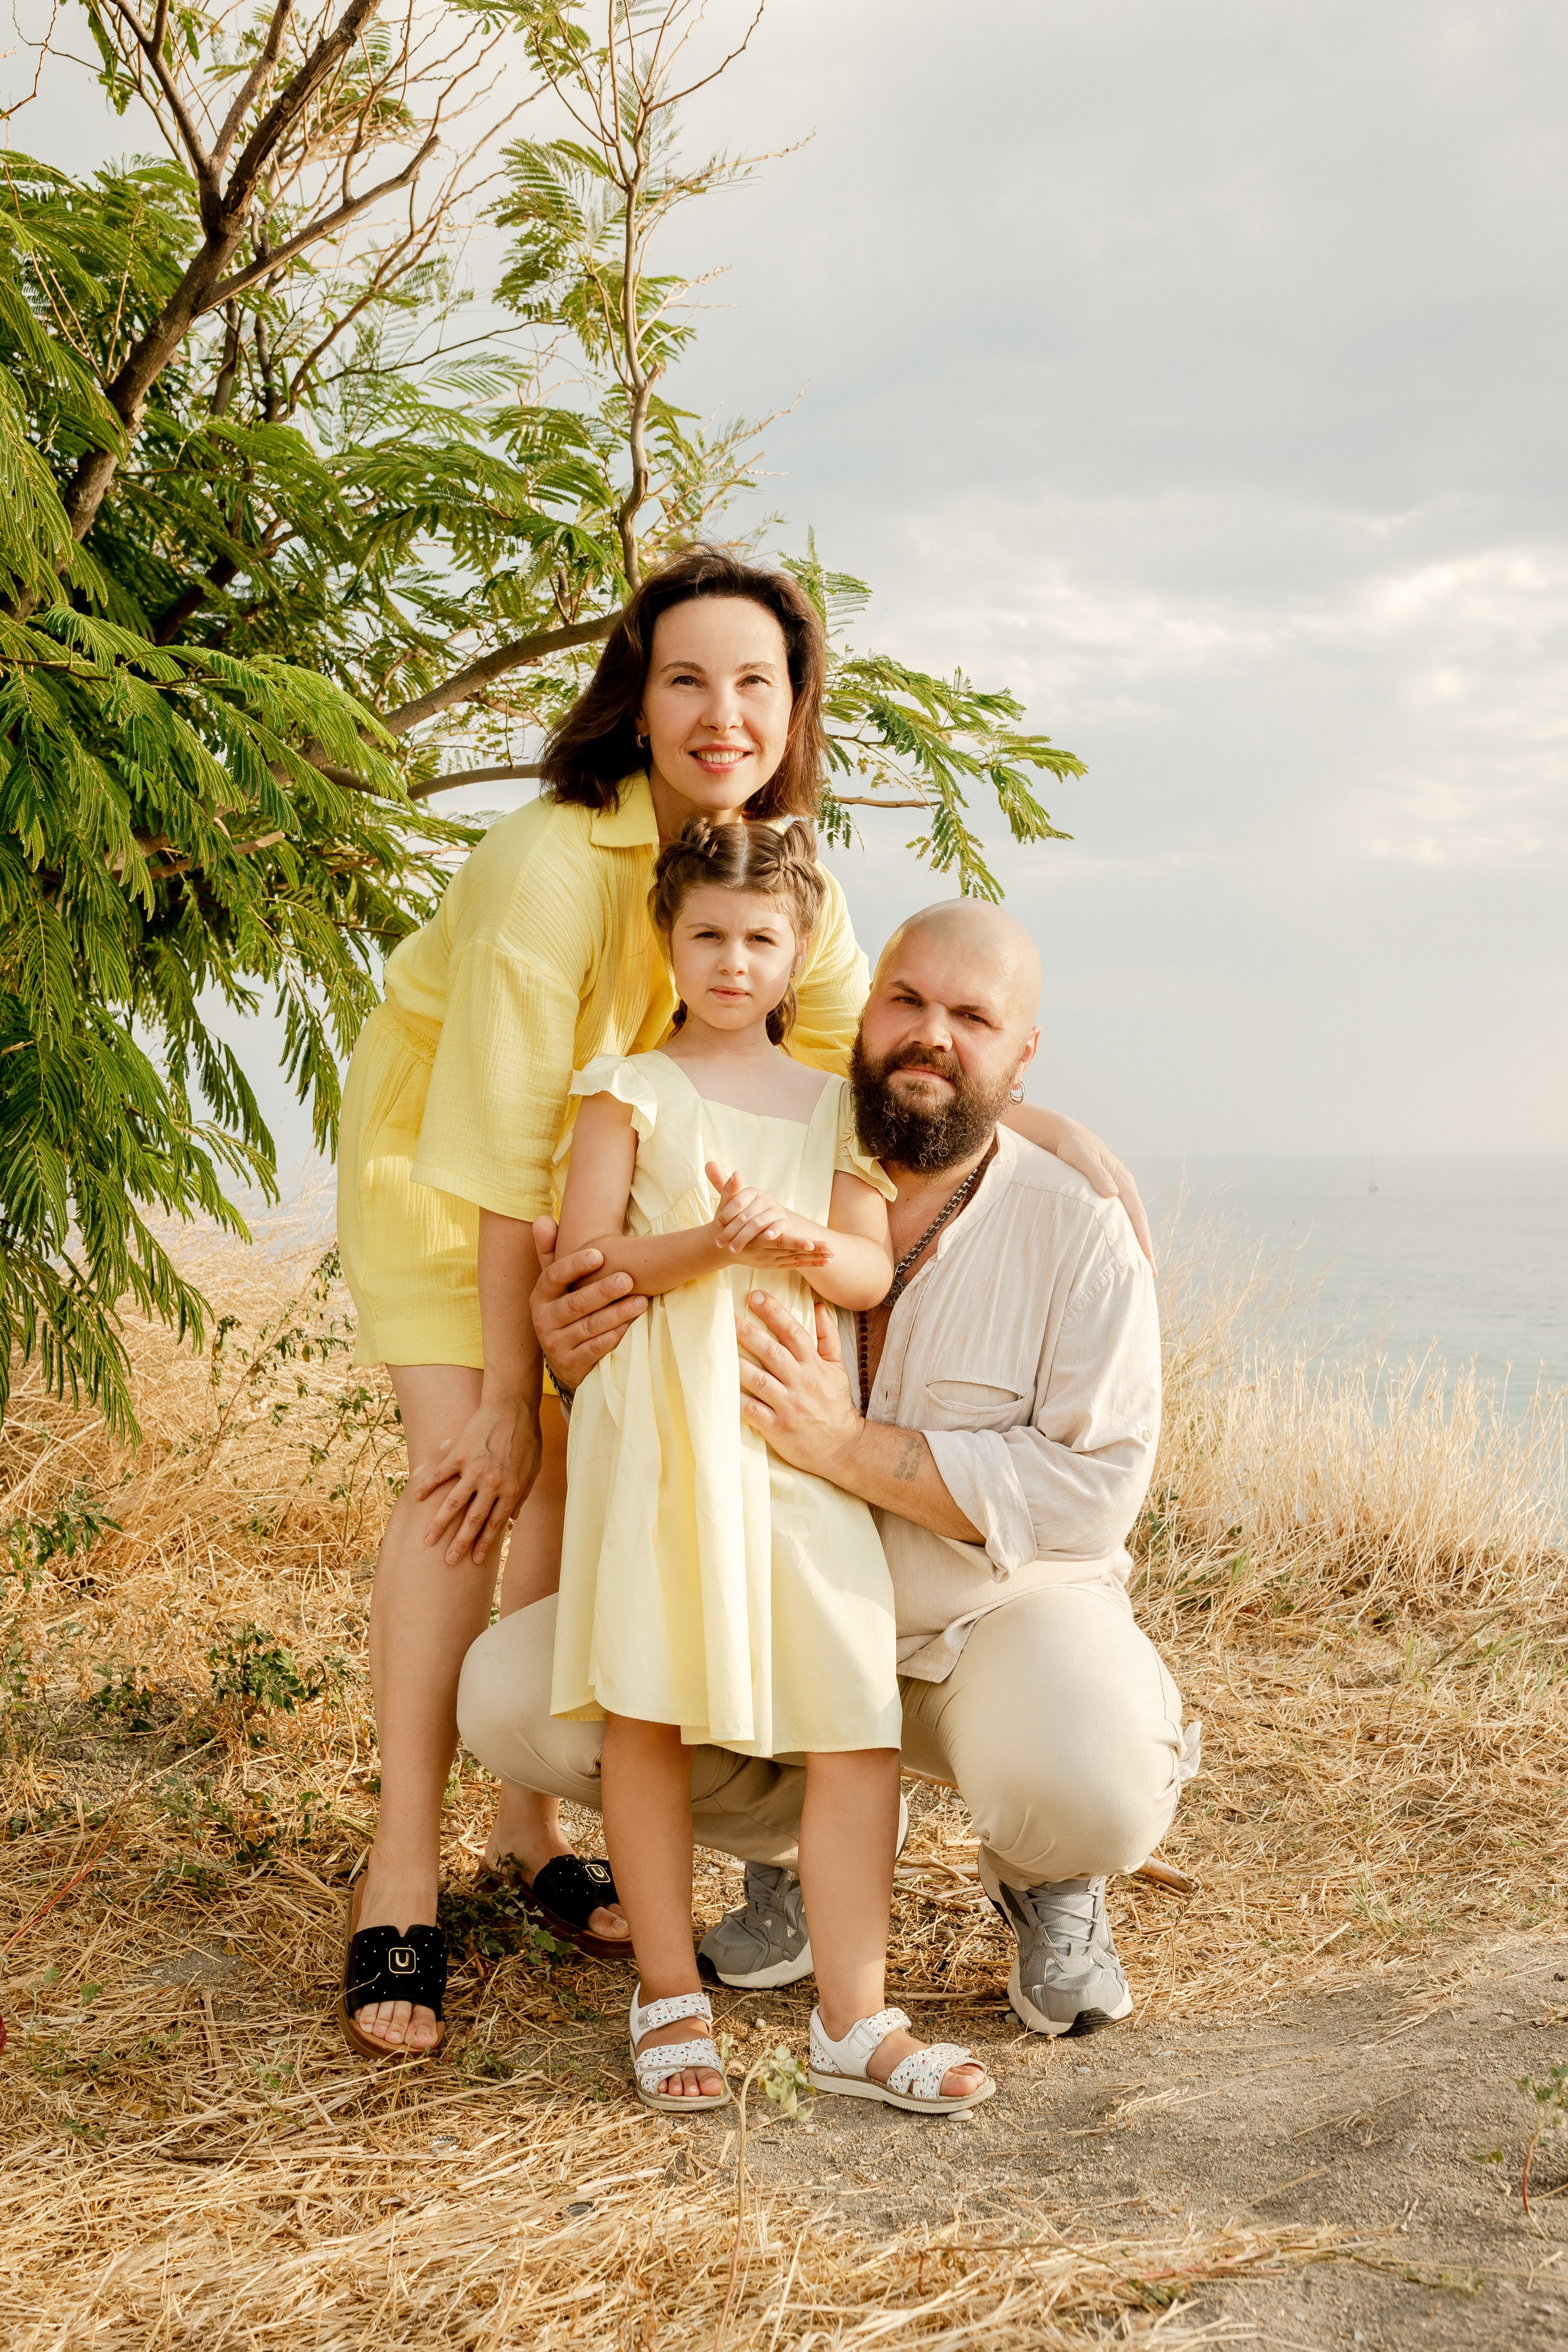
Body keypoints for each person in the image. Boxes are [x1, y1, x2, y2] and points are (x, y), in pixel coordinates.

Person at [334, 541, 1152, 2059]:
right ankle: (400, 1879)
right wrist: (514, 1386)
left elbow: (864, 1058)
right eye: (686, 680)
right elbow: (502, 1167)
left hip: (641, 1190)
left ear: (793, 707)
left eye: (755, 684)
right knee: (479, 1472)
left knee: (582, 1474)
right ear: (635, 702)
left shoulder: (779, 871)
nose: (723, 714)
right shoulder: (542, 870)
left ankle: (527, 1832)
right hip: (456, 1166)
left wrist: (1035, 1119)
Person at [456, 899, 1197, 2042]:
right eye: (906, 1001)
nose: (932, 1034)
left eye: (973, 1018)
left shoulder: (1078, 1228)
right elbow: (639, 1353)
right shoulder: (765, 1154)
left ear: (1023, 1056)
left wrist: (849, 1448)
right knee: (515, 1695)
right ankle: (803, 1856)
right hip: (774, 1598)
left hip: (987, 1619)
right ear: (861, 1017)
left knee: (1085, 1783)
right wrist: (573, 1349)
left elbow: (1093, 1492)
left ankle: (1049, 1872)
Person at [551, 816, 991, 2114]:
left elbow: (860, 1269)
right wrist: (711, 1242)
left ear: (797, 953)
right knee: (649, 1709)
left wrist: (789, 1237)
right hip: (662, 1437)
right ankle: (668, 1993)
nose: (732, 962)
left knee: (850, 1714)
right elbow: (588, 1259)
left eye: (759, 939)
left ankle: (854, 2020)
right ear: (669, 940)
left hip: (788, 1430)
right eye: (707, 935)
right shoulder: (626, 1089)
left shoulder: (828, 1104)